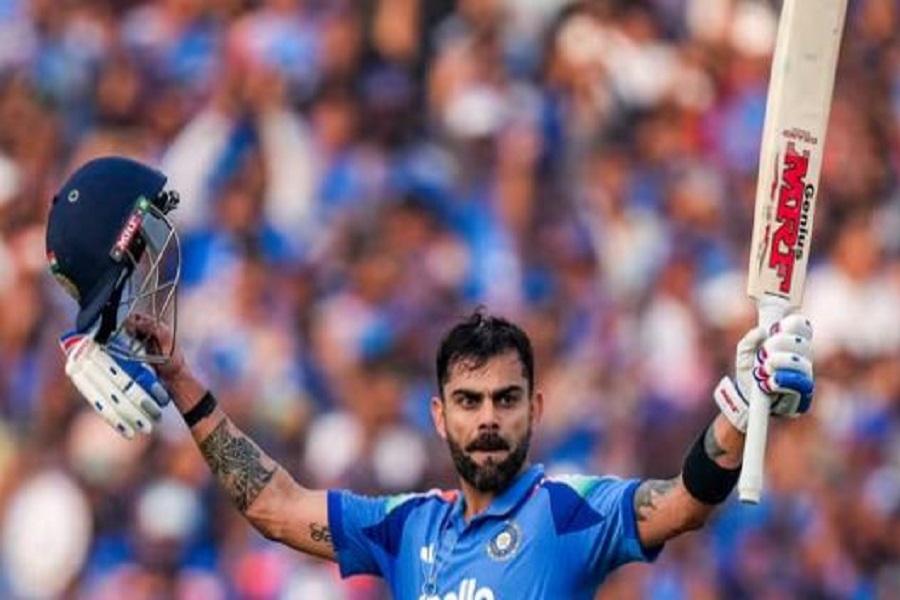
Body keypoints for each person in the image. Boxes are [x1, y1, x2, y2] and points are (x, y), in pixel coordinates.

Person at [46, 156, 815, 599]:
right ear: (440, 415)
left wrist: (742, 408)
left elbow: (683, 504)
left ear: (535, 409)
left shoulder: (569, 514)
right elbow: (274, 507)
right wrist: (179, 376)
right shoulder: (408, 527)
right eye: (470, 402)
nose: (488, 419)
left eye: (505, 400)